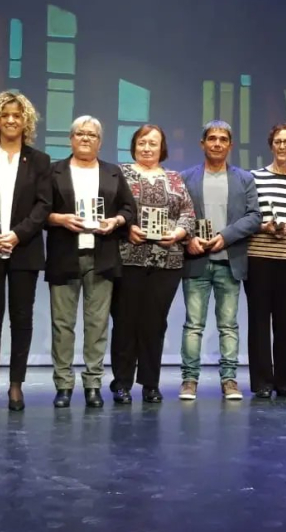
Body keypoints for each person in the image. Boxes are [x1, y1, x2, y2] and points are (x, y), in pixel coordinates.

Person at [45, 116, 136, 408]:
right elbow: (38, 211)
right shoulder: (53, 171)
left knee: (97, 325)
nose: (86, 139)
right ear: (71, 139)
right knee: (63, 324)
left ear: (100, 141)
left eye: (92, 135)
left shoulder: (112, 172)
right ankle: (63, 385)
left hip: (103, 255)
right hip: (64, 254)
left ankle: (93, 384)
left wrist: (116, 220)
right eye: (80, 134)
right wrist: (58, 218)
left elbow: (128, 209)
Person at [0, 92, 51, 412]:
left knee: (21, 317)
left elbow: (44, 205)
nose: (12, 120)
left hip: (24, 249)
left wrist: (17, 235)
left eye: (18, 115)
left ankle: (16, 385)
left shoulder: (40, 160)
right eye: (5, 115)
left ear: (26, 120)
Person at [110, 124, 194, 404]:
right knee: (125, 322)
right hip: (127, 258)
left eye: (153, 143)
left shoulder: (175, 178)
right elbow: (111, 210)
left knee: (154, 324)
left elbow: (188, 214)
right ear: (134, 145)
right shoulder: (119, 173)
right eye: (142, 142)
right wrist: (126, 229)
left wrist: (180, 233)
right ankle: (121, 383)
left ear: (162, 148)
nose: (147, 148)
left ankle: (150, 384)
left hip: (167, 262)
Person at [179, 120, 262, 401]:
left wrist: (225, 237)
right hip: (196, 260)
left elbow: (254, 216)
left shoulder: (244, 179)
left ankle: (229, 380)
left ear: (230, 145)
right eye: (211, 138)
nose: (217, 143)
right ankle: (189, 380)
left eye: (223, 139)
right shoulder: (185, 178)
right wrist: (188, 239)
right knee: (193, 325)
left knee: (228, 326)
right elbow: (177, 214)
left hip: (230, 260)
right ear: (202, 144)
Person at [244, 123, 286, 398]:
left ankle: (284, 380)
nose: (282, 146)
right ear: (271, 145)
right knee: (259, 321)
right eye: (278, 141)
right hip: (258, 255)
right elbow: (245, 215)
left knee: (285, 321)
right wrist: (263, 226)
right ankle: (261, 381)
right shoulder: (253, 178)